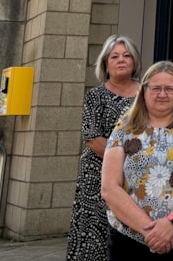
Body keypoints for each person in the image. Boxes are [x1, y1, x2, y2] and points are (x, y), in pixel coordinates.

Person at [102, 61, 173, 261]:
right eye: (156, 88)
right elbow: (109, 187)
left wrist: (170, 224)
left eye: (170, 88)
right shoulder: (124, 127)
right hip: (130, 239)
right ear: (144, 91)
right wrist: (151, 232)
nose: (163, 94)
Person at [68, 35, 142, 261]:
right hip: (97, 175)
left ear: (135, 61)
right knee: (93, 233)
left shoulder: (146, 94)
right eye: (115, 56)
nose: (121, 60)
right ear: (105, 64)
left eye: (127, 55)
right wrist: (121, 163)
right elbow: (91, 137)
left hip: (138, 174)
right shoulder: (95, 95)